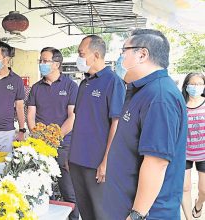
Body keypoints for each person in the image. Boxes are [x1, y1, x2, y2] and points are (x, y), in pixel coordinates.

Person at [103, 29, 188, 220]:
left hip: (149, 214)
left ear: (142, 54)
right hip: (123, 205)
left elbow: (156, 162)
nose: (120, 58)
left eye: (123, 51)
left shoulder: (159, 96)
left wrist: (136, 215)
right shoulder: (141, 91)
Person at [68, 35, 126, 220]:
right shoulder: (84, 83)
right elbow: (80, 121)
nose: (78, 57)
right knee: (86, 213)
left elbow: (116, 125)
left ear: (96, 54)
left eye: (81, 53)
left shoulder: (113, 81)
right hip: (77, 160)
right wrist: (71, 156)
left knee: (101, 214)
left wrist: (106, 161)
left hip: (97, 163)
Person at [27, 47, 79, 220]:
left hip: (64, 145)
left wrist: (54, 138)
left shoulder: (71, 86)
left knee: (69, 192)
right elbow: (30, 115)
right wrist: (38, 138)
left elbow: (72, 117)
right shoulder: (36, 87)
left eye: (44, 60)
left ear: (56, 64)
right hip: (39, 147)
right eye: (40, 61)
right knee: (41, 190)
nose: (41, 64)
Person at [181, 73, 205, 220]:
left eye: (199, 84)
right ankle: (189, 217)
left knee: (203, 189)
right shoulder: (181, 104)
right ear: (186, 86)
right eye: (193, 84)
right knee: (184, 187)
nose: (196, 87)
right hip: (184, 152)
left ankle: (199, 204)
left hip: (203, 153)